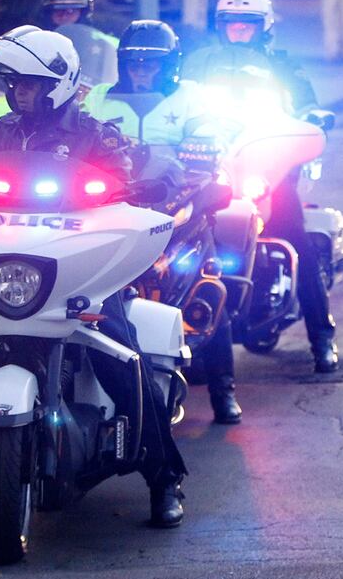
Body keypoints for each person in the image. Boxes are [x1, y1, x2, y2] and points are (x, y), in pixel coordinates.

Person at [0, 28, 190, 530]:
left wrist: (156, 179)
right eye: (13, 83)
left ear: (58, 83)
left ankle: (164, 479)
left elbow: (147, 167)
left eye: (29, 83)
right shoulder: (4, 132)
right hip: (8, 271)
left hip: (83, 275)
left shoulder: (95, 134)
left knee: (124, 356)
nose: (19, 93)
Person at [84, 22, 242, 424]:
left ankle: (223, 391)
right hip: (114, 206)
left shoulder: (193, 97)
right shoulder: (99, 98)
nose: (141, 69)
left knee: (207, 285)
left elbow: (214, 131)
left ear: (169, 64)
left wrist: (205, 143)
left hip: (179, 201)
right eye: (134, 62)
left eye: (151, 63)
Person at [180, 0, 340, 375]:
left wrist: (313, 116)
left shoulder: (284, 68)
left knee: (296, 241)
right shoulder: (198, 63)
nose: (237, 31)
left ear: (263, 27)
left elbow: (305, 105)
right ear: (219, 27)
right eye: (230, 25)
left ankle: (322, 337)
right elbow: (177, 102)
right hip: (209, 166)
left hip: (266, 167)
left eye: (246, 25)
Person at [40, 0, 118, 91]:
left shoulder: (105, 43)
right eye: (58, 11)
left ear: (83, 13)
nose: (64, 16)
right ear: (49, 13)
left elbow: (112, 78)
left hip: (91, 98)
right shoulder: (39, 42)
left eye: (71, 11)